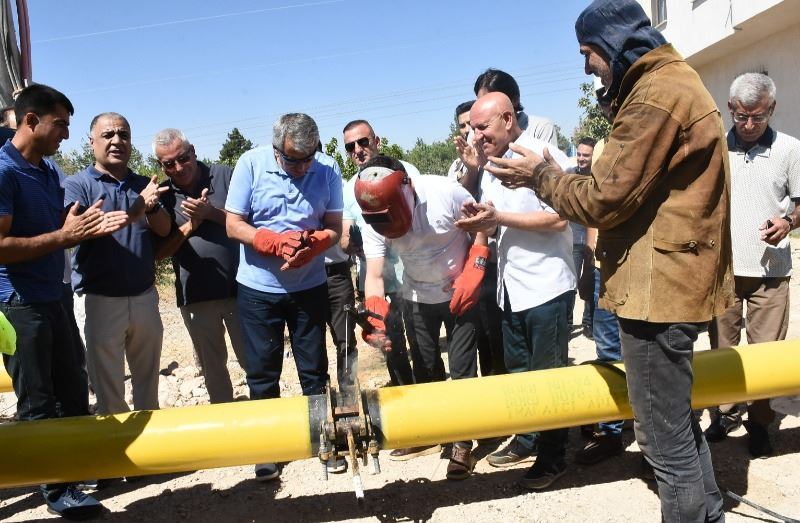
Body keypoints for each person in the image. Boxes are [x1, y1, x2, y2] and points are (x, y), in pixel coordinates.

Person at [484, 1, 732, 520]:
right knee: (676, 423)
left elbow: (602, 199)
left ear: (613, 43)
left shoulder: (656, 95)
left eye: (588, 53)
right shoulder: (664, 86)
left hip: (658, 292)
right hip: (667, 282)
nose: (585, 67)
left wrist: (540, 177)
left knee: (662, 439)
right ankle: (708, 510)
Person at [456, 92, 574, 490]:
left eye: (482, 127)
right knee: (520, 374)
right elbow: (495, 223)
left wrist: (499, 217)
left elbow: (560, 219)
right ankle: (527, 439)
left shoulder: (544, 156)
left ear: (508, 119)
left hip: (546, 288)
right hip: (511, 290)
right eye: (472, 129)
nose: (476, 136)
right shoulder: (491, 165)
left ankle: (553, 456)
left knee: (549, 378)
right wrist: (481, 221)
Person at [0, 84, 108, 518]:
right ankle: (57, 490)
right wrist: (64, 236)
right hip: (19, 304)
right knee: (37, 401)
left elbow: (51, 232)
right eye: (60, 124)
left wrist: (77, 225)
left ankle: (73, 472)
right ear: (31, 120)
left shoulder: (46, 171)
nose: (66, 134)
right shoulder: (4, 172)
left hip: (54, 295)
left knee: (72, 390)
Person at [355, 154, 488, 480]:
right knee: (427, 368)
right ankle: (438, 430)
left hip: (461, 293)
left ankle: (462, 444)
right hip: (416, 296)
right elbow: (375, 275)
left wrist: (476, 266)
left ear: (408, 187)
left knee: (462, 369)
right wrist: (375, 315)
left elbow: (482, 226)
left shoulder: (446, 192)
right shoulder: (373, 217)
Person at [225, 113, 342, 482]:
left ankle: (325, 439)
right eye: (293, 160)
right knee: (262, 371)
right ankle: (268, 447)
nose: (302, 168)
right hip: (259, 289)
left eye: (308, 159)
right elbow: (233, 224)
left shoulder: (328, 168)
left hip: (309, 287)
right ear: (276, 150)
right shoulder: (250, 164)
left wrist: (316, 243)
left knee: (314, 368)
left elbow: (334, 227)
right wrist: (271, 242)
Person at [705, 72, 800, 458]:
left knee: (765, 354)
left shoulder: (790, 150)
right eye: (741, 116)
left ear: (771, 109)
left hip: (770, 271)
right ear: (730, 108)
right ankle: (725, 413)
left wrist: (788, 222)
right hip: (723, 271)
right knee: (722, 349)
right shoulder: (714, 146)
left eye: (757, 117)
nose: (747, 125)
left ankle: (759, 423)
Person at [65, 112, 171, 418]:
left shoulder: (143, 184)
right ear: (91, 142)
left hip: (144, 296)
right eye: (108, 135)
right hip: (100, 300)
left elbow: (164, 229)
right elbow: (79, 230)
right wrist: (137, 208)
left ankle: (148, 442)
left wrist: (151, 207)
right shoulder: (78, 185)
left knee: (148, 380)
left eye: (123, 135)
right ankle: (117, 445)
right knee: (108, 387)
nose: (117, 141)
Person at [152, 128, 246, 404]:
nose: (179, 167)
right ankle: (224, 421)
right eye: (169, 163)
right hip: (196, 298)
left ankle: (266, 419)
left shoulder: (225, 176)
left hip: (241, 289)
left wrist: (211, 213)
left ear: (193, 151)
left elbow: (251, 223)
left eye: (183, 158)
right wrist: (191, 226)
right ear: (161, 165)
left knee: (254, 361)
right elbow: (159, 253)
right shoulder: (163, 195)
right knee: (213, 370)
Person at [341, 119, 415, 388]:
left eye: (363, 142)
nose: (357, 150)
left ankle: (428, 395)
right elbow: (345, 235)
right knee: (390, 342)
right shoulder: (349, 188)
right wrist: (350, 243)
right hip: (375, 278)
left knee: (420, 340)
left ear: (377, 141)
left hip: (411, 274)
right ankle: (402, 390)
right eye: (350, 146)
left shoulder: (404, 171)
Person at [566, 137, 596, 336]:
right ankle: (567, 324)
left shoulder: (598, 176)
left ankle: (589, 323)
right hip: (574, 239)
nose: (581, 158)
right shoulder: (569, 175)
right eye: (579, 154)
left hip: (593, 239)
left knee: (592, 281)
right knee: (570, 284)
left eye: (586, 155)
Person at [446, 100, 474, 182]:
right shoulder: (456, 166)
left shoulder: (491, 161)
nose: (467, 130)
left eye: (470, 123)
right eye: (462, 126)